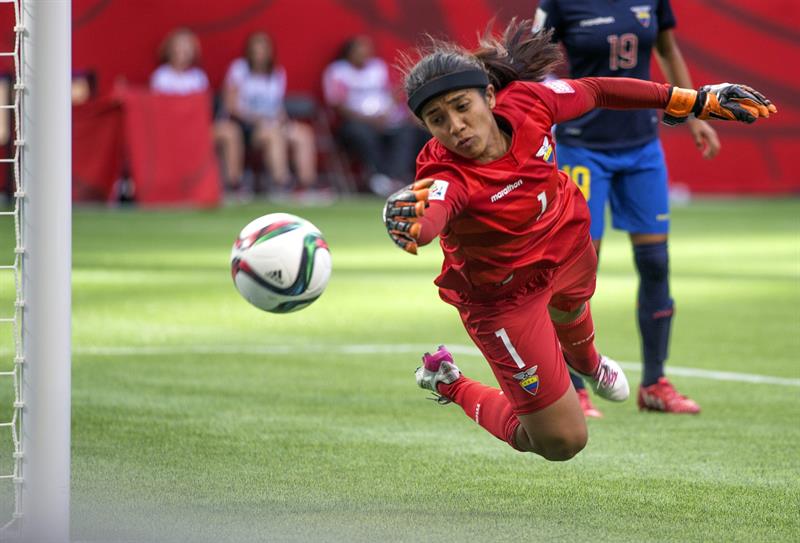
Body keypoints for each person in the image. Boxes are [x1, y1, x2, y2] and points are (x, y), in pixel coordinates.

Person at [382, 19, 774, 460]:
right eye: (437, 120)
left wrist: (693, 100)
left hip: (564, 240)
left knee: (572, 304)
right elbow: (432, 214)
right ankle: (447, 381)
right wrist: (408, 223)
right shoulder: (443, 172)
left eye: (461, 106)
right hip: (503, 296)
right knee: (560, 441)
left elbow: (599, 90)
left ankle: (588, 362)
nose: (456, 126)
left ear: (489, 96)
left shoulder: (530, 102)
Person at [535, 1, 720, 416]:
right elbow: (529, 63)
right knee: (577, 270)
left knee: (656, 262)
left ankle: (655, 384)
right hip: (582, 147)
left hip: (641, 147)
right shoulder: (559, 3)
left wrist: (694, 113)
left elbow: (668, 50)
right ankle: (572, 386)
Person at [323, 35, 427, 195]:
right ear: (349, 52)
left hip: (385, 119)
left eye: (367, 49)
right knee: (362, 133)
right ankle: (378, 177)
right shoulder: (338, 71)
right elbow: (338, 105)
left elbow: (394, 93)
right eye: (359, 49)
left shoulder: (378, 68)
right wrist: (369, 120)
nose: (364, 53)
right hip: (355, 121)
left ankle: (395, 177)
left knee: (407, 132)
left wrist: (387, 112)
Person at [220, 32, 318, 196]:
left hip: (272, 122)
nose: (260, 53)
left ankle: (306, 186)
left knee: (303, 134)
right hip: (247, 125)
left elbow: (277, 105)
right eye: (256, 49)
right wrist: (258, 119)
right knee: (273, 134)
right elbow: (231, 106)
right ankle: (282, 184)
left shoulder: (277, 73)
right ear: (249, 51)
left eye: (263, 49)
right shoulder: (239, 69)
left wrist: (283, 120)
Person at [150, 28, 210, 95]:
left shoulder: (199, 77)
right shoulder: (161, 75)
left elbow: (202, 102)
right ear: (169, 49)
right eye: (178, 46)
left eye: (186, 47)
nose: (182, 50)